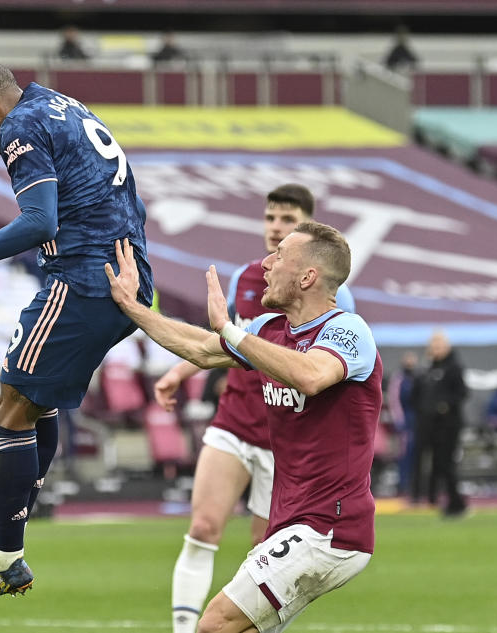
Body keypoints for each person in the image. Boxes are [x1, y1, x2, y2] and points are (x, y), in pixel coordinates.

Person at [0, 62, 153, 609]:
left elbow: (39, 223)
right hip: (121, 271)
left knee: (9, 407)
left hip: (86, 277)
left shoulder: (22, 126)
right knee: (34, 401)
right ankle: (7, 527)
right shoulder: (58, 103)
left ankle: (5, 561)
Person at [105, 221, 381, 633]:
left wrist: (232, 330)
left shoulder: (348, 330)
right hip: (295, 523)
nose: (266, 264)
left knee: (213, 625)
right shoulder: (270, 330)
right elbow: (199, 348)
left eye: (280, 256)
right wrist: (134, 308)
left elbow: (310, 376)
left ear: (308, 277)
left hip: (328, 528)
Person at [153, 185, 355, 633]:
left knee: (263, 555)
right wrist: (177, 373)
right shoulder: (250, 278)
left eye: (286, 220)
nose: (275, 228)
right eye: (270, 219)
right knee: (203, 527)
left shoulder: (341, 310)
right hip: (233, 422)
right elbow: (221, 342)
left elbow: (316, 370)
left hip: (280, 442)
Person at [411, 331, 468, 517]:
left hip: (448, 425)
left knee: (446, 463)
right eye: (433, 346)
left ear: (447, 347)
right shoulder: (426, 369)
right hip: (429, 424)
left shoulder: (454, 367)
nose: (436, 349)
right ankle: (432, 498)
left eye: (439, 345)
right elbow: (416, 394)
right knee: (432, 463)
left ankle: (457, 503)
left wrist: (443, 405)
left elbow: (462, 394)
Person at [386, 351, 418, 496]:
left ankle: (414, 484)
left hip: (416, 421)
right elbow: (394, 400)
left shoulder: (417, 377)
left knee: (416, 454)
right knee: (403, 454)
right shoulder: (399, 378)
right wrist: (399, 420)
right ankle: (402, 485)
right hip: (405, 421)